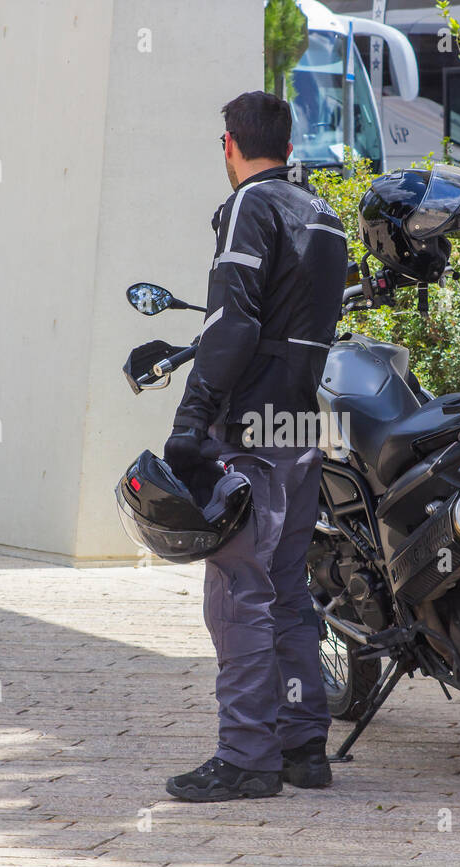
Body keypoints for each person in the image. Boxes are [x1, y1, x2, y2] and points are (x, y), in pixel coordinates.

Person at [162, 91, 348, 802]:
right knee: (289, 588)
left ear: (231, 144)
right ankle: (304, 747)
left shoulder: (251, 205)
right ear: (289, 144)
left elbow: (232, 322)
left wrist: (192, 419)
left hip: (250, 428)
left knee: (240, 590)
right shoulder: (321, 212)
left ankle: (246, 758)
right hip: (301, 426)